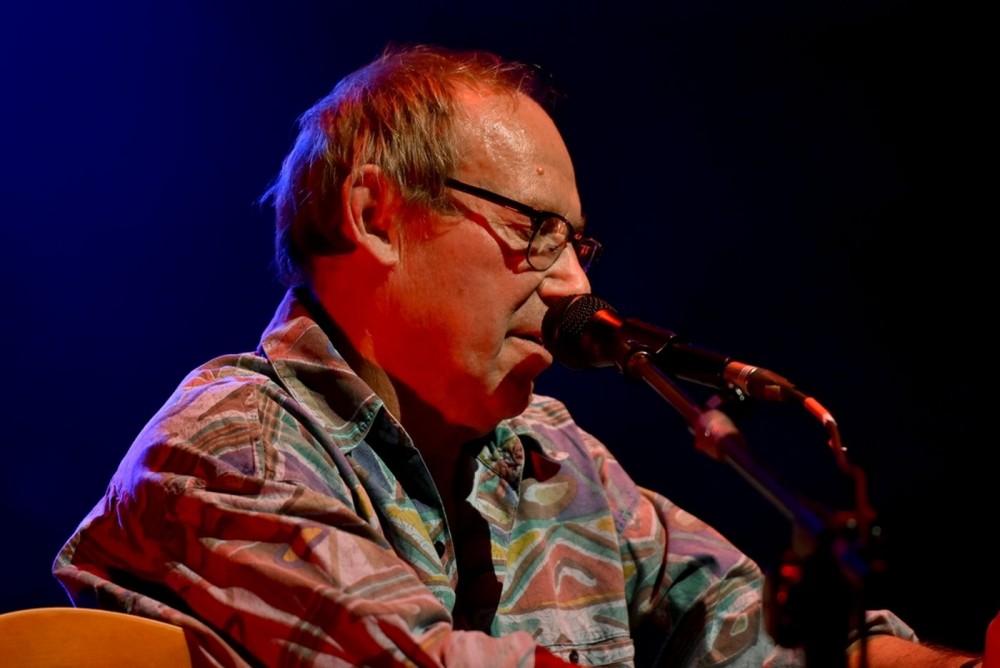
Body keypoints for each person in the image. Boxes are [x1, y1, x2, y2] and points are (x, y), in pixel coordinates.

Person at [52, 43, 983, 667]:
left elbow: (768, 644)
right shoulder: (226, 444)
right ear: (376, 216)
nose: (576, 284)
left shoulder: (554, 453)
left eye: (578, 243)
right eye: (537, 231)